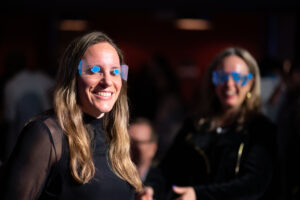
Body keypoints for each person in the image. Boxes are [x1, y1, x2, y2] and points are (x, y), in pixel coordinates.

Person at [0, 31, 143, 200]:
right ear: (72, 77)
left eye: (115, 72)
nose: (107, 82)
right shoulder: (48, 135)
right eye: (95, 70)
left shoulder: (117, 136)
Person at [159, 47, 277, 200]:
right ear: (212, 81)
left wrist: (198, 194)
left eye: (237, 77)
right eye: (221, 77)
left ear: (250, 84)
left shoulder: (261, 128)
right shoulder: (195, 124)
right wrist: (150, 189)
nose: (229, 84)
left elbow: (253, 184)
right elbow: (167, 168)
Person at [129, 118, 165, 200]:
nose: (129, 147)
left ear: (153, 148)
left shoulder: (161, 181)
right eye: (127, 141)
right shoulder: (111, 176)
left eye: (137, 142)